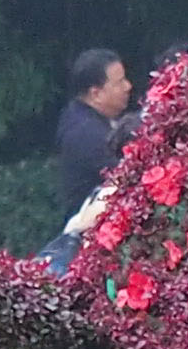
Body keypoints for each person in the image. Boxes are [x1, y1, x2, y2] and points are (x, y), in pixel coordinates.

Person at [46, 46, 133, 271]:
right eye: (119, 82)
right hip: (88, 247)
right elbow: (128, 177)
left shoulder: (86, 118)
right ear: (96, 93)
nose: (128, 87)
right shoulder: (86, 132)